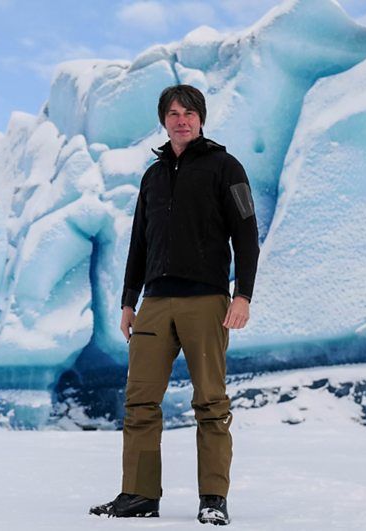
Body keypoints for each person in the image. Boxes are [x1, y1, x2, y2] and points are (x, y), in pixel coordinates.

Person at [89, 84, 260, 526]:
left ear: (201, 117)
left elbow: (246, 234)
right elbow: (139, 244)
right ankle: (139, 494)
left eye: (188, 112)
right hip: (155, 302)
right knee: (140, 402)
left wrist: (243, 294)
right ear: (163, 119)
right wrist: (129, 301)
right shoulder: (153, 176)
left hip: (206, 301)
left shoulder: (226, 167)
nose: (181, 120)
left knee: (210, 403)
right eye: (172, 113)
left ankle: (213, 500)